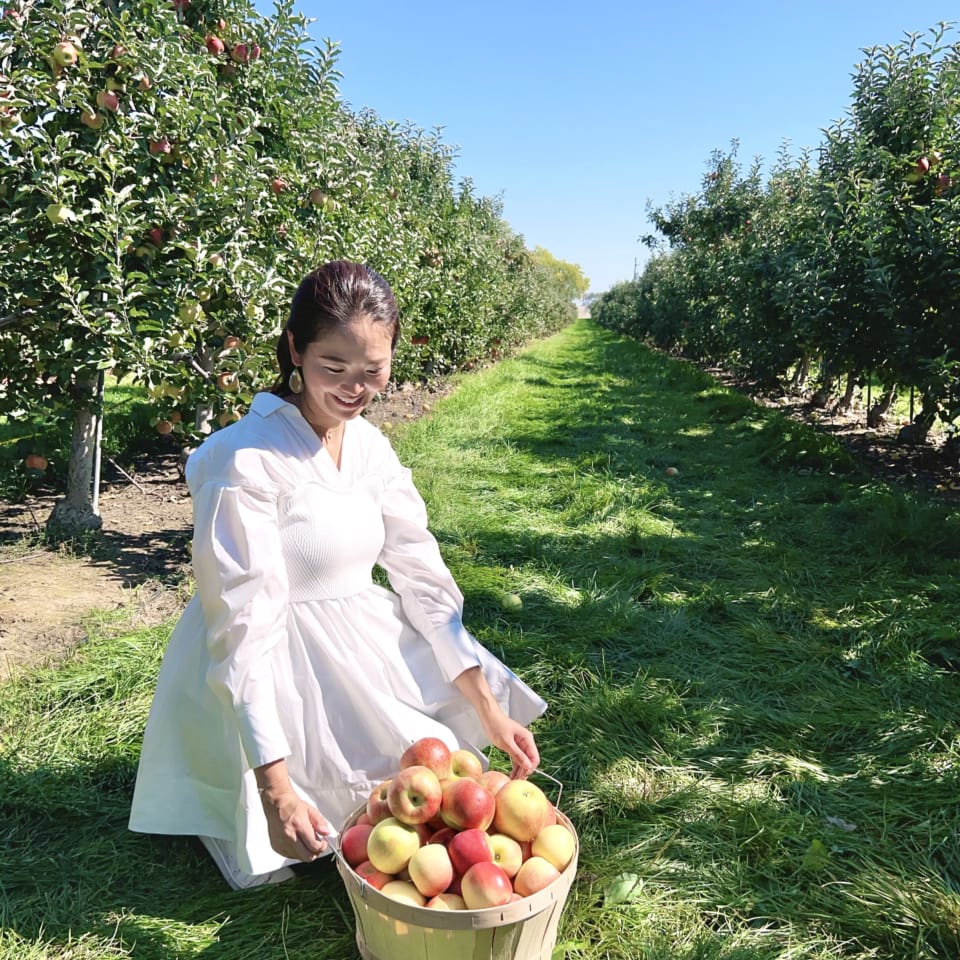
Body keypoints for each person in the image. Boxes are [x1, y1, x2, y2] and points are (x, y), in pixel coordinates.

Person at [128, 261, 546, 890]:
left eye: (374, 370)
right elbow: (245, 628)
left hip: (360, 642)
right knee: (343, 825)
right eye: (335, 367)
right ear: (295, 349)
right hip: (276, 665)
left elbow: (421, 575)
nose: (356, 389)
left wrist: (486, 705)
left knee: (427, 792)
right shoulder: (242, 463)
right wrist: (275, 791)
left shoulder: (370, 447)